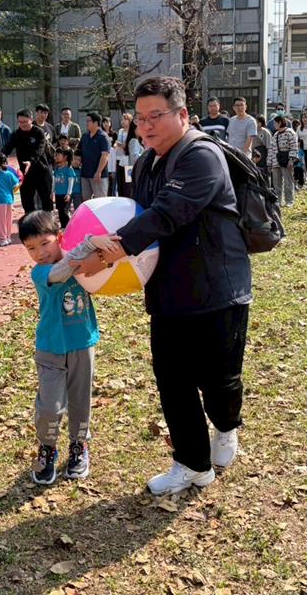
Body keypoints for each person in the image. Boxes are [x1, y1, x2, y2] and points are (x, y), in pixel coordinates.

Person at [80, 76, 251, 496]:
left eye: (155, 116)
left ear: (183, 114)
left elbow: (168, 214)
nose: (146, 126)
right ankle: (193, 464)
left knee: (219, 380)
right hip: (168, 292)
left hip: (217, 290)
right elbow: (132, 214)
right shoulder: (145, 163)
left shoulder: (202, 156)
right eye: (139, 118)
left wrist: (109, 253)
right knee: (172, 381)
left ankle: (226, 427)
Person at [18, 210, 99, 484]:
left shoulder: (81, 262)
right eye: (31, 248)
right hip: (50, 347)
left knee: (80, 401)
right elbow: (63, 271)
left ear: (60, 237)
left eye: (45, 243)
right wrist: (90, 244)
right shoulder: (41, 272)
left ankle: (79, 445)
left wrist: (100, 252)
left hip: (82, 343)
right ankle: (47, 447)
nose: (40, 252)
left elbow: (100, 276)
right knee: (50, 407)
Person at [3, 109, 53, 213]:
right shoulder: (16, 134)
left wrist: (31, 161)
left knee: (46, 200)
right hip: (25, 173)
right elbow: (7, 148)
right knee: (27, 201)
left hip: (41, 171)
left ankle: (48, 220)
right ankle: (29, 220)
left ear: (31, 119)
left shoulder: (38, 132)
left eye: (25, 122)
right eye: (20, 122)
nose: (22, 124)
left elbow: (40, 150)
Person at [78, 112, 111, 201]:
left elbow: (105, 155)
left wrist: (98, 171)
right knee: (86, 201)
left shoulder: (103, 137)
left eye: (88, 121)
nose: (86, 123)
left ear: (96, 123)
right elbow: (79, 152)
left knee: (100, 201)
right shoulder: (85, 136)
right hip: (85, 174)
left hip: (98, 175)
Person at [270, 115, 298, 207]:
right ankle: (278, 200)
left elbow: (294, 146)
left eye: (275, 123)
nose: (274, 125)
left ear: (280, 122)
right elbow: (272, 149)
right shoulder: (275, 135)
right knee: (276, 183)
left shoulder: (290, 132)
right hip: (276, 161)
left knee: (288, 181)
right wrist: (270, 163)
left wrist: (291, 159)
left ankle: (289, 201)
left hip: (286, 161)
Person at [52, 148, 76, 228]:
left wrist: (68, 194)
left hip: (65, 195)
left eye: (58, 155)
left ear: (65, 157)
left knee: (64, 211)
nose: (56, 157)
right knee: (60, 212)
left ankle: (69, 227)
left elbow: (71, 182)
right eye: (55, 155)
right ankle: (63, 227)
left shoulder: (69, 168)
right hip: (58, 194)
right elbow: (54, 181)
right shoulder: (57, 168)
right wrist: (52, 192)